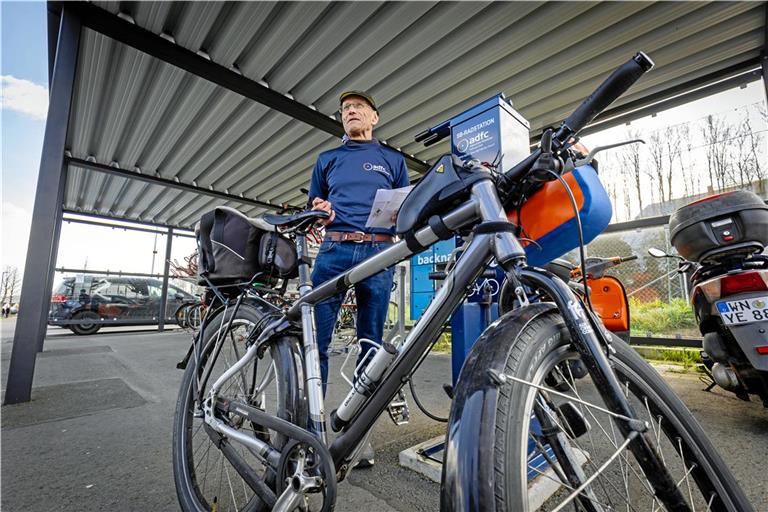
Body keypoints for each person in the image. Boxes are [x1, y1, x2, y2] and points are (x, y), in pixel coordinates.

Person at [309, 91, 409, 467]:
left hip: (379, 252)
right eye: (345, 109)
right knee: (315, 341)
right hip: (333, 251)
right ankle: (311, 429)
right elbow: (314, 206)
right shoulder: (327, 159)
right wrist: (318, 209)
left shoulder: (392, 159)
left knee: (371, 344)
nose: (350, 112)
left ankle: (357, 437)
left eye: (358, 108)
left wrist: (403, 217)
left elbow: (406, 208)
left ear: (374, 118)